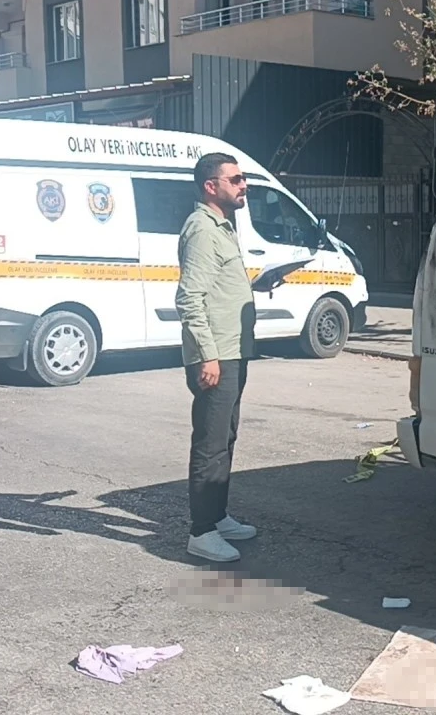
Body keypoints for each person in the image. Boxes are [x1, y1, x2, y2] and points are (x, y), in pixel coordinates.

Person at [175, 152, 258, 563]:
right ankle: (201, 531)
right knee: (209, 444)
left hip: (233, 349)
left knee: (226, 437)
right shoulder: (203, 230)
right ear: (212, 186)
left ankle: (218, 516)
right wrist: (206, 357)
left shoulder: (224, 228)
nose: (244, 185)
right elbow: (189, 298)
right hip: (216, 356)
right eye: (236, 179)